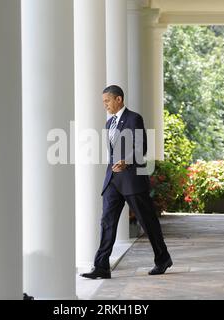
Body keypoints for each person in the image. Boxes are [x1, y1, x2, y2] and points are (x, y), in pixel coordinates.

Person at [80, 85, 172, 280]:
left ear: (118, 99)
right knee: (107, 222)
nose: (104, 105)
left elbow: (141, 147)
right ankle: (102, 266)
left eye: (107, 101)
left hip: (132, 179)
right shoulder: (108, 124)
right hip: (112, 180)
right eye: (103, 101)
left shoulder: (134, 118)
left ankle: (163, 259)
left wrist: (126, 161)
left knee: (147, 221)